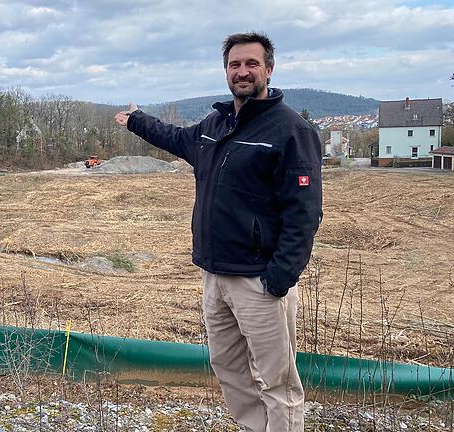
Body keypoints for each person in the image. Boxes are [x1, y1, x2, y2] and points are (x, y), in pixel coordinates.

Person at [114, 32, 322, 432]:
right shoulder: (215, 124)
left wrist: (278, 279)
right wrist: (137, 121)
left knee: (276, 381)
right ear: (226, 71)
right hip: (215, 275)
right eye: (234, 65)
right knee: (228, 368)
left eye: (251, 64)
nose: (242, 72)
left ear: (269, 69)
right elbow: (176, 138)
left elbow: (305, 214)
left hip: (260, 281)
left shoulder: (292, 131)